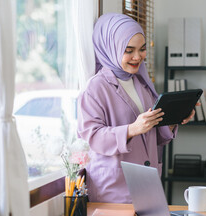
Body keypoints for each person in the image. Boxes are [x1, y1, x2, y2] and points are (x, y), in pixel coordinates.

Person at [77, 13, 195, 203]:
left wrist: (173, 120)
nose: (137, 57)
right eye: (129, 50)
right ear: (111, 48)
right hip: (113, 190)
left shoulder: (141, 83)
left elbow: (153, 135)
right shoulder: (95, 88)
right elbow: (92, 137)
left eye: (141, 49)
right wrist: (132, 129)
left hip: (146, 187)